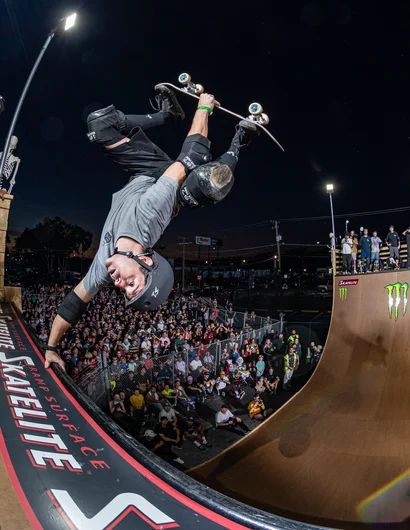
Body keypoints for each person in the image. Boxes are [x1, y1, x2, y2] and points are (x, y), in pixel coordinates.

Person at [44, 86, 259, 370]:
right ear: (144, 260)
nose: (119, 284)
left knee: (99, 124)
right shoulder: (150, 214)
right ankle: (239, 141)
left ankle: (167, 114)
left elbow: (73, 305)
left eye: (124, 291)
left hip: (143, 172)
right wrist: (204, 107)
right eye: (132, 283)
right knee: (207, 181)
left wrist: (51, 347)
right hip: (166, 184)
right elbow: (192, 155)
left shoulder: (104, 269)